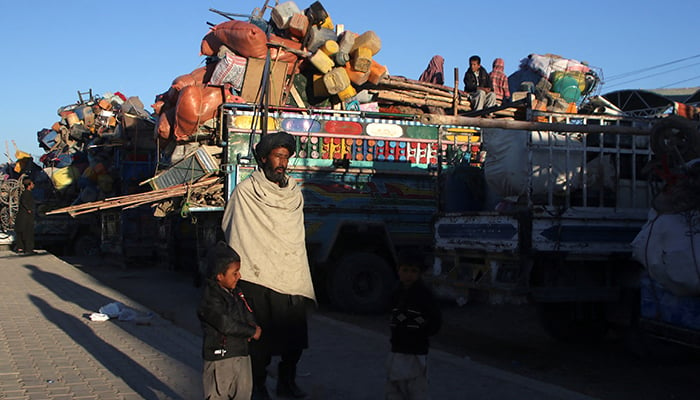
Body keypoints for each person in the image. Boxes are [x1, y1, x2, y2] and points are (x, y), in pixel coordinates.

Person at [221, 131, 316, 400]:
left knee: (295, 340)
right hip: (257, 275)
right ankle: (259, 386)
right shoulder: (246, 192)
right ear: (264, 158)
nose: (282, 163)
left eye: (286, 157)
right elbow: (231, 227)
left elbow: (294, 234)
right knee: (259, 340)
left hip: (290, 274)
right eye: (277, 156)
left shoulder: (295, 193)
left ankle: (287, 382)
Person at [198, 242, 262, 400]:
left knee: (243, 393)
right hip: (221, 358)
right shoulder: (210, 299)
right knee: (219, 394)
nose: (239, 276)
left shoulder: (236, 292)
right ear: (219, 276)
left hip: (241, 353)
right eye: (235, 273)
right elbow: (225, 324)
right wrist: (250, 331)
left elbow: (246, 311)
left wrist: (252, 324)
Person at [385, 250, 442, 400]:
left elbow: (435, 320)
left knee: (416, 389)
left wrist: (422, 331)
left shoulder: (425, 295)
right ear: (398, 271)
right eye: (405, 270)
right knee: (395, 387)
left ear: (419, 273)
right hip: (397, 348)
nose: (408, 275)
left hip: (416, 350)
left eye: (413, 271)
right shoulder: (395, 292)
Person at [14, 177, 36, 255]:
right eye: (32, 184)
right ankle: (28, 249)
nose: (33, 185)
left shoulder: (25, 193)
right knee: (28, 233)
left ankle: (21, 248)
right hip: (26, 217)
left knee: (22, 232)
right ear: (29, 185)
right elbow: (24, 201)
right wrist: (29, 209)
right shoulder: (27, 193)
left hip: (23, 217)